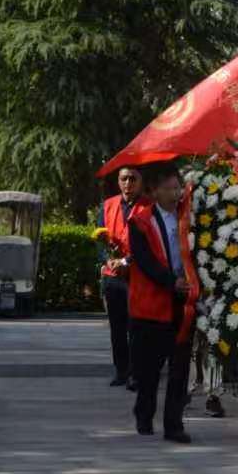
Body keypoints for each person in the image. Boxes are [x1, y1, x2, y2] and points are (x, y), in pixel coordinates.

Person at [126, 165, 194, 444]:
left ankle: (174, 424)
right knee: (149, 371)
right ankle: (144, 415)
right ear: (154, 191)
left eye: (177, 187)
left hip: (182, 303)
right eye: (168, 188)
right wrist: (170, 281)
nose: (174, 193)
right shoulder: (140, 220)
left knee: (180, 369)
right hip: (151, 306)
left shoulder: (189, 218)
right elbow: (144, 262)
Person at [96, 165, 143, 388]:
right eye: (124, 179)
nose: (128, 183)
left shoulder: (149, 207)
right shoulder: (107, 206)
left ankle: (136, 373)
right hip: (112, 276)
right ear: (118, 182)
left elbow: (151, 245)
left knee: (136, 327)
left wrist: (127, 262)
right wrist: (109, 260)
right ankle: (121, 371)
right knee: (117, 327)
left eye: (132, 179)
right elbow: (99, 239)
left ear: (140, 182)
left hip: (139, 276)